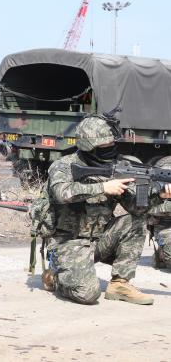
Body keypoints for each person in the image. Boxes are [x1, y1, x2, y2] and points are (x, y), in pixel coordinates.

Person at [46, 115, 153, 305]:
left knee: (136, 222)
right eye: (104, 146)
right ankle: (56, 276)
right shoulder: (64, 166)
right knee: (88, 294)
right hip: (68, 243)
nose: (111, 149)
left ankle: (120, 283)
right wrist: (103, 187)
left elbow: (137, 209)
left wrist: (159, 194)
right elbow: (61, 193)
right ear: (88, 146)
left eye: (112, 144)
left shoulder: (117, 166)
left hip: (100, 241)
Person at [143, 157, 171, 269]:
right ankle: (161, 253)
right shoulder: (154, 185)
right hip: (166, 227)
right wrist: (163, 195)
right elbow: (148, 209)